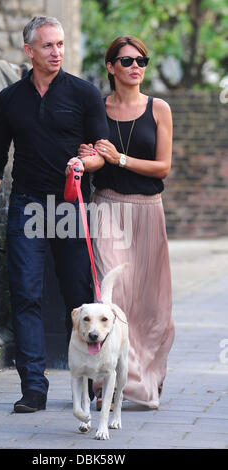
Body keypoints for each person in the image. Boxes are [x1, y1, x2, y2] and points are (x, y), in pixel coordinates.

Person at [0, 16, 109, 413]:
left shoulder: (85, 94)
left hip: (71, 206)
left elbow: (102, 152)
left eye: (61, 45)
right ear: (29, 51)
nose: (57, 52)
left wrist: (86, 165)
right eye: (48, 46)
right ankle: (34, 387)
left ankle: (88, 384)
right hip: (27, 205)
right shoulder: (10, 99)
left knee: (80, 298)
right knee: (26, 295)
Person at [69, 35, 175, 409]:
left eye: (142, 61)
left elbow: (163, 166)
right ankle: (110, 384)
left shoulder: (159, 108)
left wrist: (120, 158)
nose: (136, 67)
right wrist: (91, 158)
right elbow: (95, 156)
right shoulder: (97, 108)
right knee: (112, 293)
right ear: (111, 67)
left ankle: (149, 375)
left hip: (149, 210)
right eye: (127, 61)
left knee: (151, 303)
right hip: (109, 208)